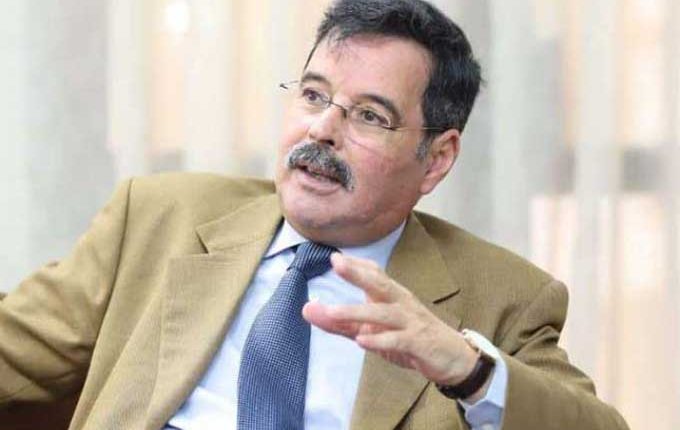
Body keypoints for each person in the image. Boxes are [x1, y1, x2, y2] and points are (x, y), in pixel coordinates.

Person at [0, 0, 629, 429]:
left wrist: (467, 370)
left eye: (369, 116)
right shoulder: (158, 218)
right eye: (313, 95)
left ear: (436, 159)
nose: (322, 129)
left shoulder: (502, 298)